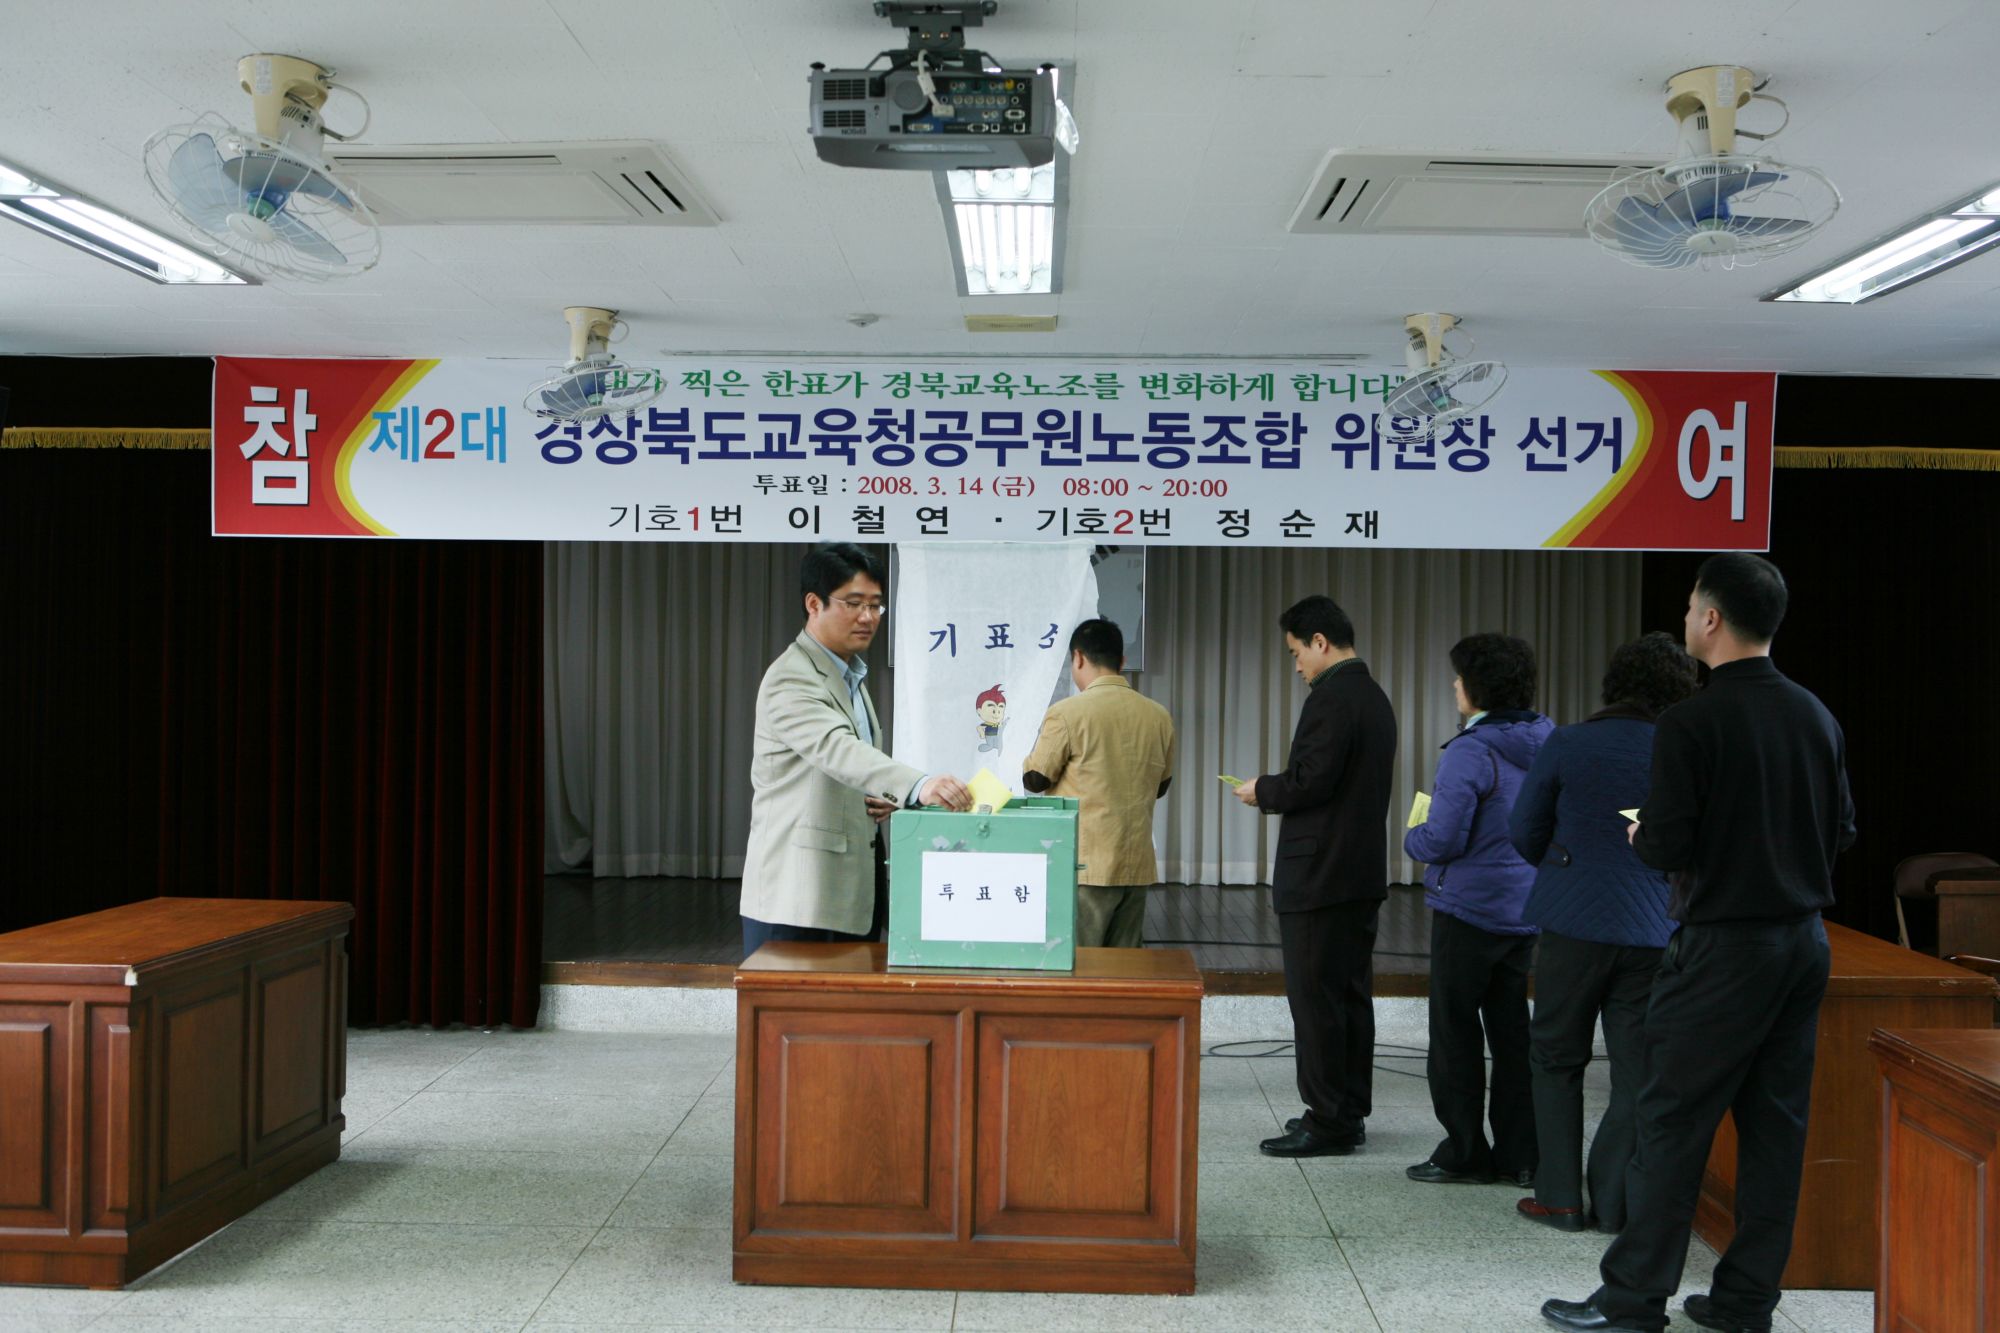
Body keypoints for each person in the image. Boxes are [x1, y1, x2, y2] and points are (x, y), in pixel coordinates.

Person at [1542, 553, 1856, 1333]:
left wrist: (1647, 834)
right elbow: (1844, 829)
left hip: (1722, 948)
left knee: (1669, 1121)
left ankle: (1631, 1301)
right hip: (1803, 942)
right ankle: (1746, 1301)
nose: (1686, 618)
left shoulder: (1692, 720)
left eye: (1690, 606)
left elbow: (1666, 843)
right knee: (1776, 1130)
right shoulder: (1817, 714)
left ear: (1711, 618)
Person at [1508, 632, 1699, 1234]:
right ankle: (1614, 1202)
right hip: (1653, 929)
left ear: (1614, 683)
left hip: (1573, 925)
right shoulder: (1684, 750)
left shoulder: (1569, 742)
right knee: (1636, 1074)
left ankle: (1559, 1199)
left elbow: (1524, 830)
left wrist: (1565, 866)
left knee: (1556, 1058)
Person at [739, 542, 970, 957]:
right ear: (814, 604)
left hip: (846, 894)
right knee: (795, 1003)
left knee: (850, 1000)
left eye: (876, 605)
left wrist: (883, 795)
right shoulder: (792, 678)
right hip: (797, 898)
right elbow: (837, 749)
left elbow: (843, 770)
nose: (868, 617)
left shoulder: (848, 675)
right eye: (854, 603)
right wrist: (918, 785)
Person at [1233, 595, 1397, 1157]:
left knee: (1316, 1001)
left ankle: (1327, 1121)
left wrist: (1262, 789)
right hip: (1358, 872)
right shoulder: (1373, 695)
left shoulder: (1332, 697)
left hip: (1321, 875)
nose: (1297, 664)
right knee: (1348, 997)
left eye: (1296, 652)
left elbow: (1312, 780)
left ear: (1320, 642)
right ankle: (1347, 1112)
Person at [1403, 633, 1552, 1188]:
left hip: (1468, 911)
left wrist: (1412, 837)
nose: (1454, 684)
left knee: (1455, 1034)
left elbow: (1442, 838)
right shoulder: (1550, 738)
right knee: (1514, 1035)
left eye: (1459, 676)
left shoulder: (1471, 750)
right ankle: (1522, 1155)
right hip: (1525, 908)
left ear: (1477, 687)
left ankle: (1465, 1152)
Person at [1021, 619, 1176, 948]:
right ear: (1122, 661)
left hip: (1085, 866)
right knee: (1125, 966)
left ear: (1078, 658)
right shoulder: (1159, 715)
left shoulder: (1066, 713)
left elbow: (1035, 779)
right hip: (1136, 866)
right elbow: (1162, 786)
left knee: (1080, 963)